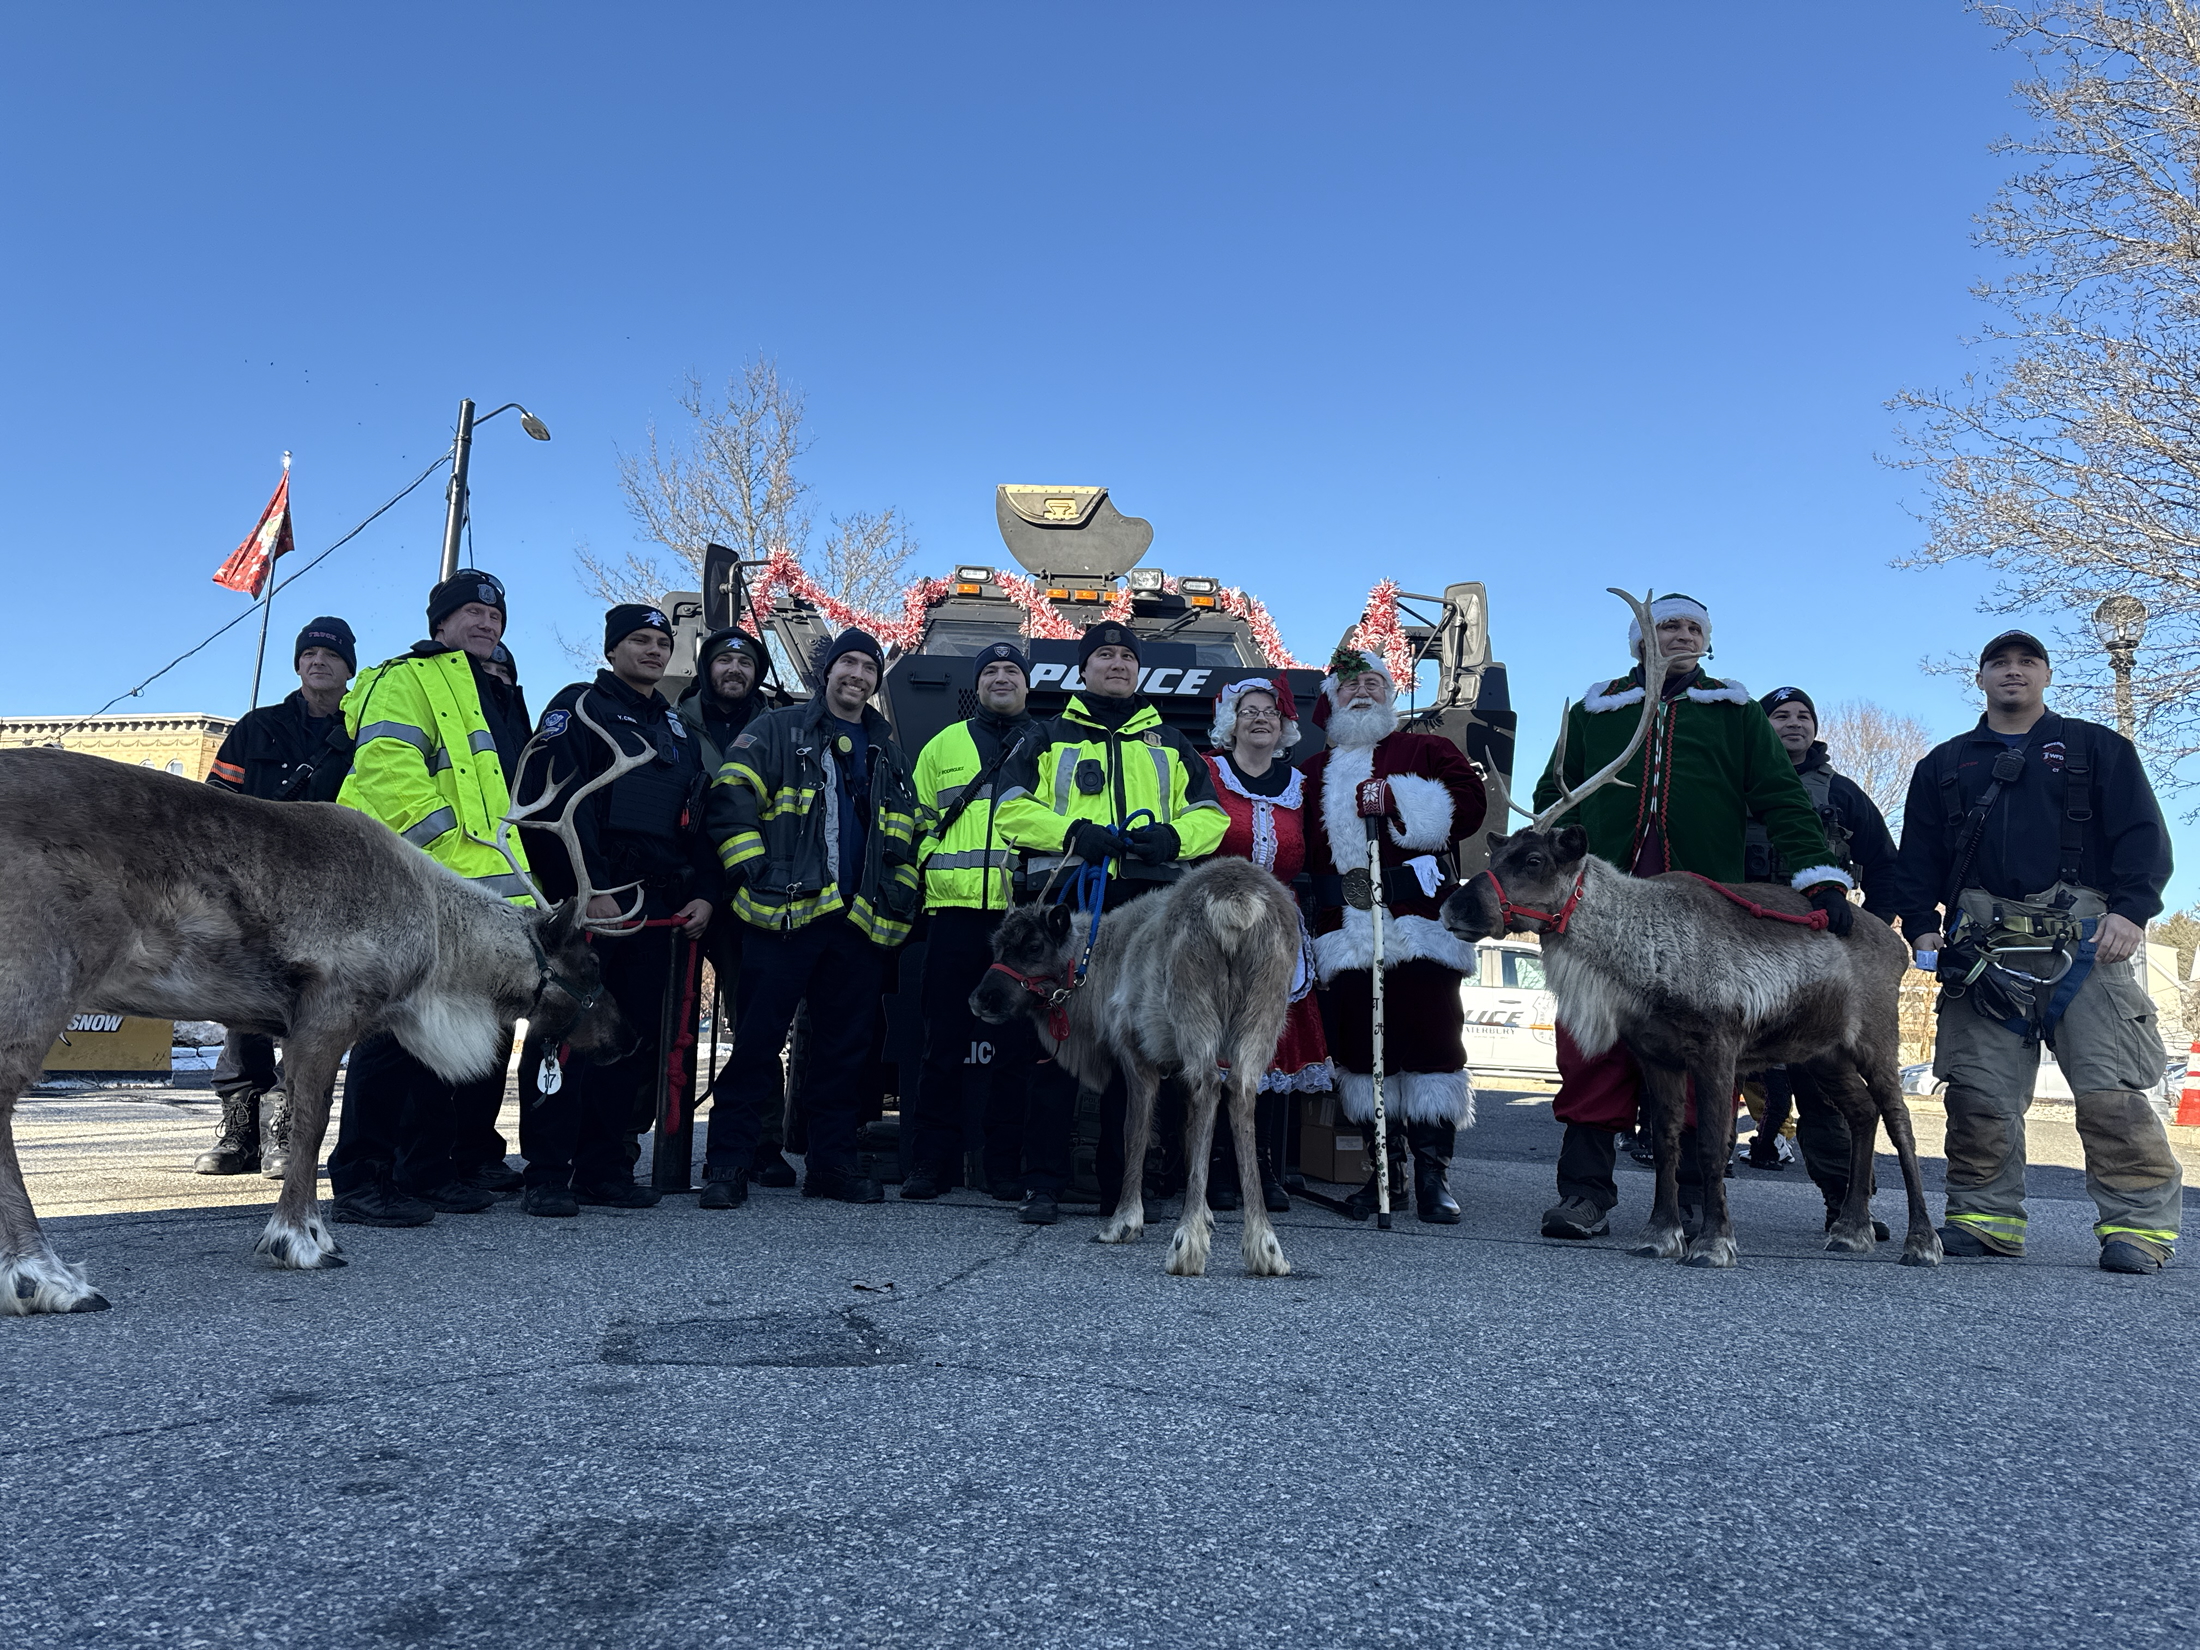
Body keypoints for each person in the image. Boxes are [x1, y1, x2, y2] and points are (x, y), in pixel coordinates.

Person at [1534, 594, 1850, 1241]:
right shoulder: (1597, 710)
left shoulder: (1732, 710)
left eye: (1693, 627)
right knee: (1593, 1043)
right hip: (1605, 909)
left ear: (1707, 642)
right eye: (1667, 625)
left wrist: (1818, 874)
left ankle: (1697, 1194)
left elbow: (1781, 796)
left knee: (1701, 1043)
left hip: (1697, 917)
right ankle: (1585, 1193)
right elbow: (1551, 799)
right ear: (1639, 639)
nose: (1681, 634)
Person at [1894, 630, 2180, 1275]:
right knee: (1977, 1094)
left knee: (2112, 1093)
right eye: (1999, 662)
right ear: (1982, 678)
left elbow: (2142, 836)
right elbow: (1919, 857)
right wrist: (1920, 926)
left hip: (2085, 946)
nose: (2013, 672)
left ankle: (2139, 1227)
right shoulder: (1942, 764)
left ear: (2047, 676)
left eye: (2027, 663)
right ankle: (1983, 1218)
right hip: (1979, 951)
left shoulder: (2098, 748)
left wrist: (2132, 912)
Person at [994, 620, 1230, 1224]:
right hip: (1067, 916)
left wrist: (1172, 835)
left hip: (1146, 919)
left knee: (1136, 1056)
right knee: (1056, 1051)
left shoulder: (1173, 744)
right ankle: (1040, 1183)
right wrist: (1072, 832)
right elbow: (1010, 811)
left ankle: (1118, 1191)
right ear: (1083, 668)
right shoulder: (1044, 736)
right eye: (1104, 655)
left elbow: (1213, 818)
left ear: (1138, 669)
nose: (1117, 663)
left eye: (1127, 655)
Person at [327, 571, 535, 1226]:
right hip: (416, 888)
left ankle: (424, 1169)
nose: (485, 623)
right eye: (470, 611)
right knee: (395, 1035)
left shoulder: (495, 694)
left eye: (494, 615)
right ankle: (362, 1176)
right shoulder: (408, 677)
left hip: (478, 899)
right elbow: (389, 773)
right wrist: (442, 874)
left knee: (446, 1039)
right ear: (440, 623)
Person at [698, 627, 922, 1207]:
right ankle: (728, 1164)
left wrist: (897, 893)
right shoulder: (776, 729)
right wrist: (753, 871)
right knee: (756, 1042)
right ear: (826, 674)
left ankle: (830, 1166)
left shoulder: (887, 752)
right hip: (784, 918)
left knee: (844, 1054)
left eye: (868, 668)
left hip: (857, 926)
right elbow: (730, 796)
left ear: (875, 682)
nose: (857, 675)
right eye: (847, 663)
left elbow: (905, 835)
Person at [515, 604, 720, 1217]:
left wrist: (703, 891)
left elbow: (700, 819)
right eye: (640, 640)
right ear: (612, 649)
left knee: (626, 1042)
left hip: (657, 909)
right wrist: (586, 889)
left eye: (662, 642)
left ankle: (606, 1166)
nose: (654, 651)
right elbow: (547, 809)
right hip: (591, 906)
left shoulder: (678, 729)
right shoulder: (577, 708)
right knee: (564, 1038)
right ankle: (548, 1172)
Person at [1301, 646, 1485, 1223]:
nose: (1364, 692)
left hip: (1420, 925)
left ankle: (1435, 1179)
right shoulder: (1311, 771)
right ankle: (1383, 1176)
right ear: (1331, 700)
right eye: (1351, 685)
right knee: (1360, 1052)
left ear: (1391, 692)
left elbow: (1470, 806)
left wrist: (1401, 799)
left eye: (1375, 684)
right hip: (1346, 932)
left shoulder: (1425, 749)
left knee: (1431, 1043)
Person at [195, 616, 356, 1179]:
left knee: (310, 1009)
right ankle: (239, 1131)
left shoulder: (361, 734)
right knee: (241, 1009)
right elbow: (214, 803)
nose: (320, 662)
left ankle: (288, 1126)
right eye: (310, 653)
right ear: (297, 663)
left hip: (326, 897)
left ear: (348, 670)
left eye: (332, 655)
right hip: (251, 890)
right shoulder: (256, 727)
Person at [1740, 685, 1903, 1224]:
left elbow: (1885, 865)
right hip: (1738, 950)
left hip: (1814, 956)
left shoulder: (1844, 795)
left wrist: (1867, 931)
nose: (1793, 724)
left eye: (1803, 715)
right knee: (1707, 1074)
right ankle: (1696, 1202)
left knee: (1827, 1080)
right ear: (1762, 727)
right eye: (1780, 715)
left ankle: (1846, 1203)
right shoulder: (1732, 784)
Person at [902, 640, 1045, 1200]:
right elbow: (915, 822)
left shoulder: (1049, 744)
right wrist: (923, 874)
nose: (1002, 678)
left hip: (1020, 922)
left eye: (1013, 670)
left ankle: (1003, 1167)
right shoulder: (944, 746)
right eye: (992, 672)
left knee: (1016, 1050)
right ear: (978, 685)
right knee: (942, 1042)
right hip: (955, 915)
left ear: (1027, 685)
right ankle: (929, 1164)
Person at [1201, 675, 1332, 1213]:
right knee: (1215, 1051)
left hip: (1278, 927)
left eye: (1270, 712)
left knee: (1268, 1052)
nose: (1260, 719)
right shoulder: (1206, 773)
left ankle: (1264, 1170)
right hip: (1214, 924)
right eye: (1248, 710)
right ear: (1230, 721)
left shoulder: (1300, 786)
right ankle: (1215, 1171)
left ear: (1284, 726)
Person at [676, 624, 797, 1186]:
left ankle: (761, 1144)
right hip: (678, 888)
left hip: (755, 893)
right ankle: (630, 1141)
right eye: (723, 660)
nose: (735, 670)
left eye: (746, 662)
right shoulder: (672, 723)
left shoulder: (781, 728)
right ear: (706, 669)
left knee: (757, 1028)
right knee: (655, 1020)